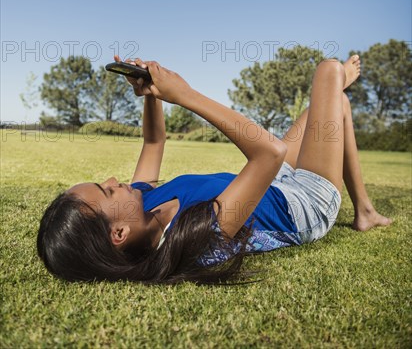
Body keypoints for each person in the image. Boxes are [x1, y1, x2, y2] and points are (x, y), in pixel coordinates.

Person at [37, 54, 392, 285]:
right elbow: (269, 152)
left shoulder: (142, 204)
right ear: (118, 234)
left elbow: (154, 143)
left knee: (336, 102)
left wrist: (151, 95)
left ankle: (364, 211)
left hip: (277, 183)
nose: (115, 181)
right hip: (304, 206)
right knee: (330, 73)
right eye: (107, 191)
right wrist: (185, 95)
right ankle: (360, 204)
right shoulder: (195, 237)